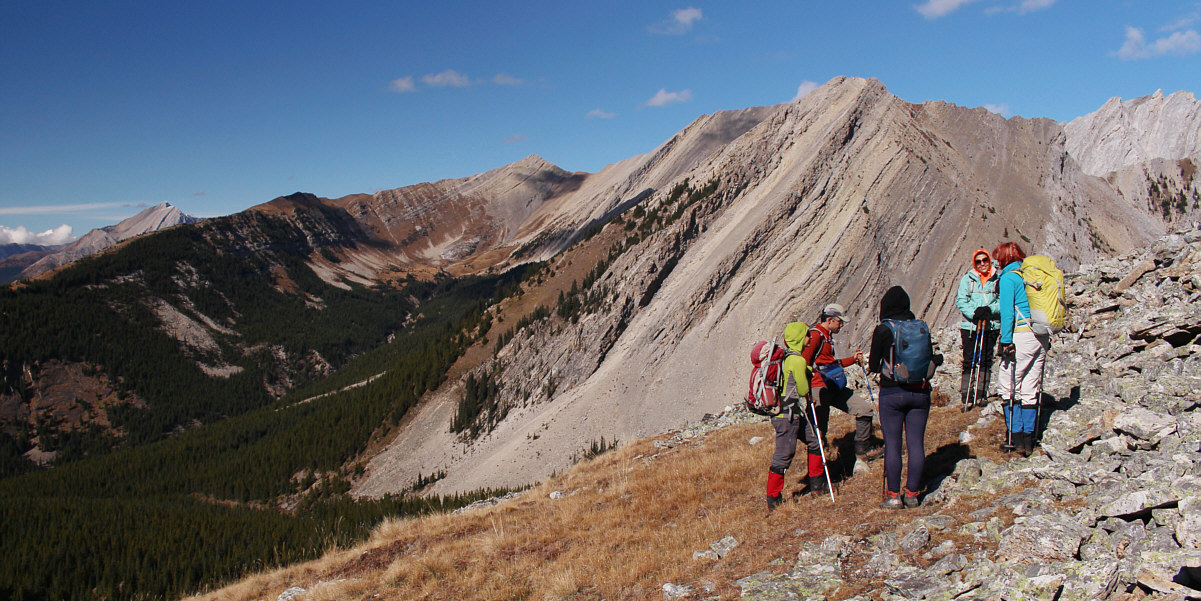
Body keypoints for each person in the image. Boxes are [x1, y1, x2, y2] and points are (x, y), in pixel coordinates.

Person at [868, 286, 935, 509]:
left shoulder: (883, 330)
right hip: (920, 392)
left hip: (892, 393)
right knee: (916, 443)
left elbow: (874, 365)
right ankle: (912, 494)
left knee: (893, 444)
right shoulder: (920, 328)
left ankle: (893, 496)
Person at [801, 304, 879, 491]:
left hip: (832, 385)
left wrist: (853, 360)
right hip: (818, 389)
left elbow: (830, 363)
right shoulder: (815, 336)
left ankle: (862, 451)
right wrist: (808, 392)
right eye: (840, 322)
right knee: (818, 435)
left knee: (864, 410)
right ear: (830, 320)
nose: (842, 325)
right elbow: (804, 362)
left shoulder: (826, 337)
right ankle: (817, 482)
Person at [993, 242, 1049, 456]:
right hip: (1041, 335)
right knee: (1030, 387)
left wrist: (1006, 341)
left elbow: (1007, 312)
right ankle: (1028, 439)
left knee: (1008, 386)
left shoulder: (1009, 278)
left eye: (998, 258)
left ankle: (1015, 438)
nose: (996, 263)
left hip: (1021, 335)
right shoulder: (1030, 275)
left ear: (1005, 258)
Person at [765, 321, 812, 511]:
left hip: (785, 412)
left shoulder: (783, 357)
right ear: (800, 338)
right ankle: (773, 498)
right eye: (807, 335)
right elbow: (803, 390)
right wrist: (807, 374)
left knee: (814, 440)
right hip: (788, 415)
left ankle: (817, 483)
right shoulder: (798, 361)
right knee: (784, 455)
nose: (809, 338)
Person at [955, 248, 1000, 408]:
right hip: (971, 326)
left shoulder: (997, 279)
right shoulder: (967, 279)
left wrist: (989, 310)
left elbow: (1002, 301)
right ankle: (967, 395)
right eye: (978, 261)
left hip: (990, 325)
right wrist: (974, 313)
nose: (982, 264)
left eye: (985, 260)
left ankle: (981, 394)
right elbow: (961, 300)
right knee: (969, 360)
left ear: (989, 261)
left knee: (986, 359)